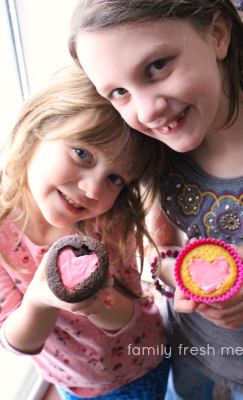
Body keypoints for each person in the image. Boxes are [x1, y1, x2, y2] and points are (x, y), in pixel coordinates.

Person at [67, 1, 243, 399]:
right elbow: (163, 249)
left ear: (217, 34)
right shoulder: (154, 149)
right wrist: (174, 273)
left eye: (156, 67)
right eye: (119, 92)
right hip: (189, 350)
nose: (147, 110)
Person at [0, 64, 171, 400]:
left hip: (142, 363)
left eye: (115, 179)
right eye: (82, 154)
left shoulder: (107, 221)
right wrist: (40, 300)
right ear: (38, 125)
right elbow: (18, 342)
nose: (93, 191)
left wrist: (93, 302)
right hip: (73, 381)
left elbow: (130, 315)